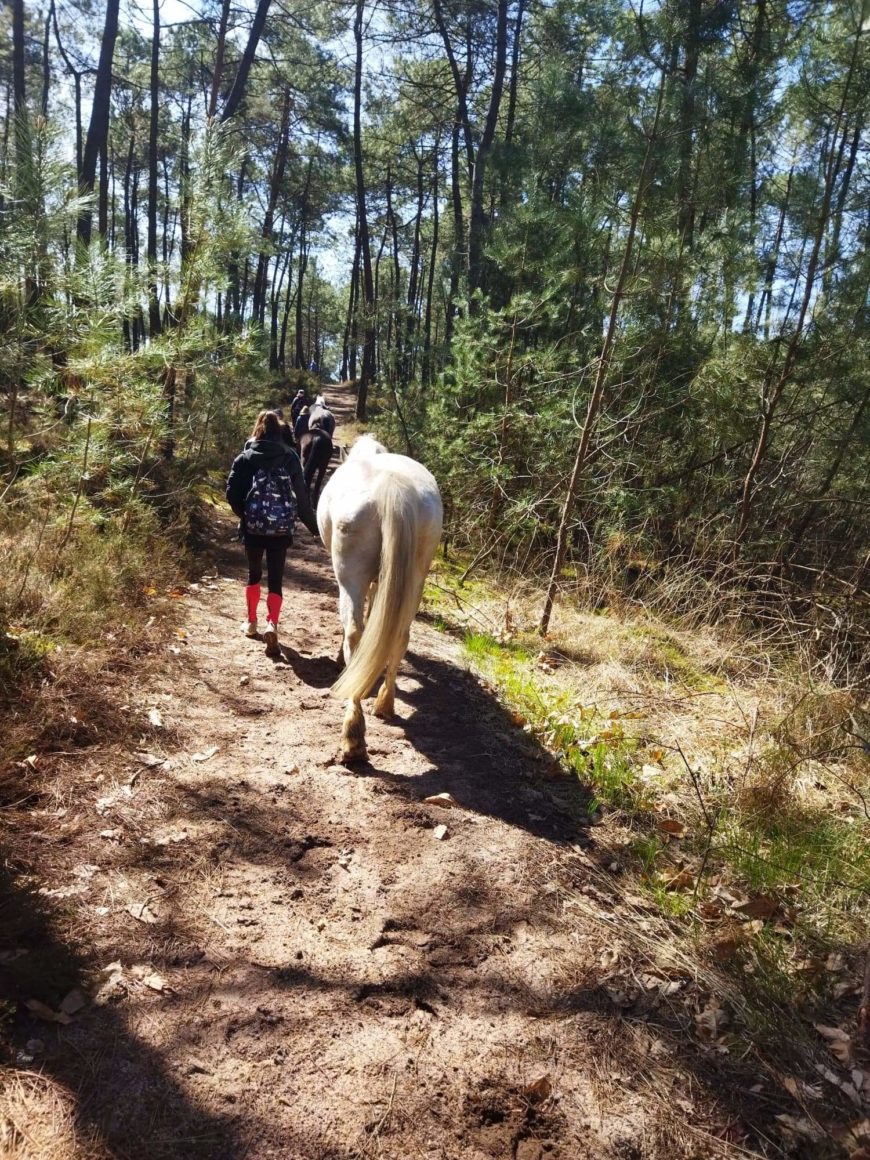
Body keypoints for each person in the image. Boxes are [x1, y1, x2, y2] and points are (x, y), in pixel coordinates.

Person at [226, 410, 319, 657]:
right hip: (280, 530)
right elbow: (302, 498)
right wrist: (315, 529)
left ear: (258, 429)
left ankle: (251, 622)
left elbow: (232, 494)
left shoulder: (245, 457)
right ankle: (272, 623)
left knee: (254, 573)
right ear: (279, 432)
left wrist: (245, 515)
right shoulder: (289, 457)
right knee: (276, 578)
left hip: (253, 528)